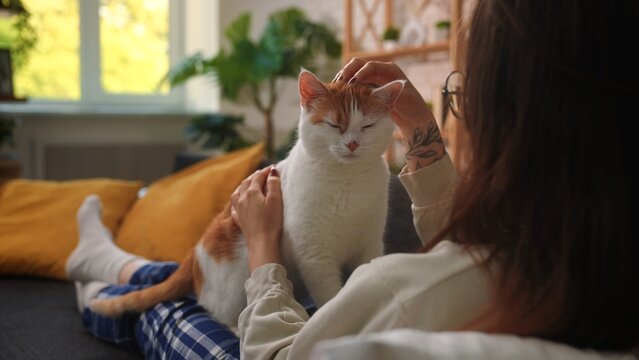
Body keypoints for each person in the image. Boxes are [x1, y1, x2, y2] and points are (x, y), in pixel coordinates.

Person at [65, 0, 637, 358]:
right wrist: (421, 127)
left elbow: (275, 353)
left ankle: (97, 274)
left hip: (267, 324)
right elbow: (475, 237)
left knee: (170, 309)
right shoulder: (572, 256)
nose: (455, 107)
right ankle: (113, 260)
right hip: (255, 271)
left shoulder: (401, 293)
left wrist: (263, 245)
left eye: (460, 97)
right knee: (181, 272)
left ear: (504, 120)